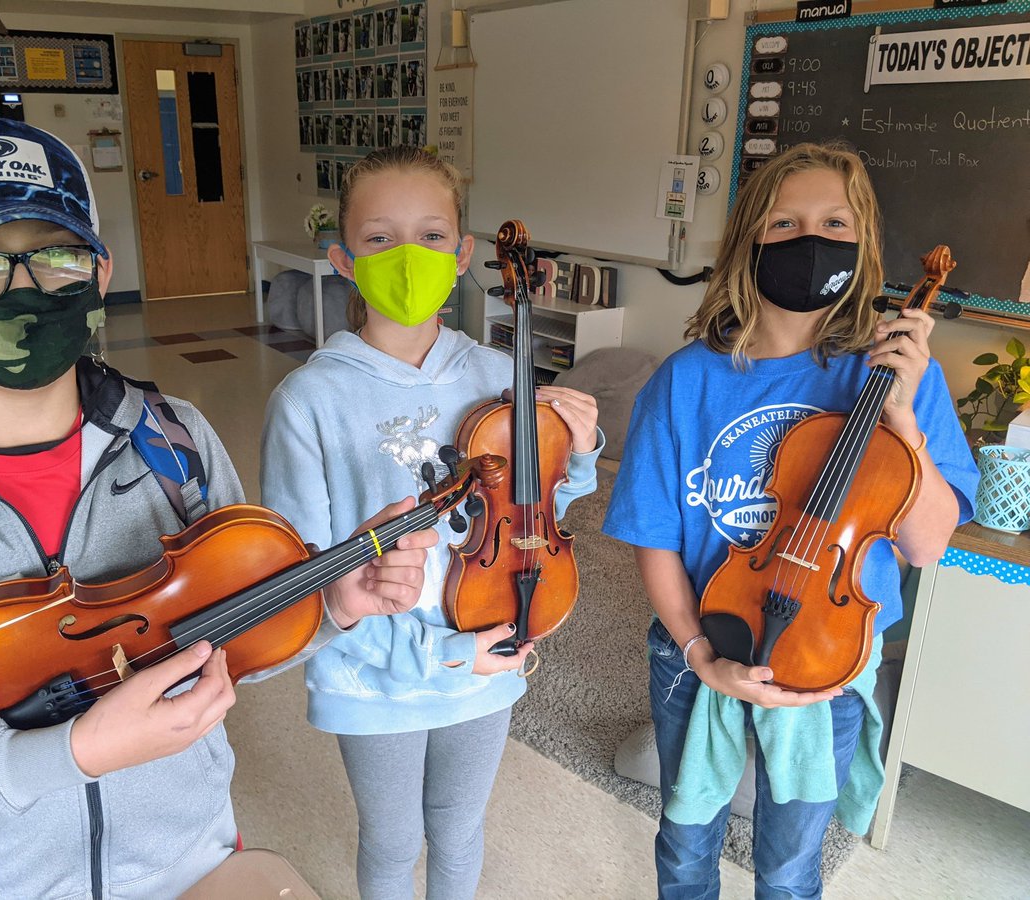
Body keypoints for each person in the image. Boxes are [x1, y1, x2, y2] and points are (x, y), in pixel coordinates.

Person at [0, 114, 437, 898]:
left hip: (191, 859)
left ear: (100, 268)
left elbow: (210, 646)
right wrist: (71, 752)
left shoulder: (176, 439)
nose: (26, 287)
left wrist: (328, 606)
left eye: (55, 255)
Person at [602, 142, 979, 898]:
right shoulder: (685, 381)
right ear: (749, 240)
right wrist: (701, 652)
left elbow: (928, 540)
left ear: (863, 241)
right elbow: (654, 538)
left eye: (835, 221)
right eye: (784, 223)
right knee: (684, 843)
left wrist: (902, 421)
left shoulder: (902, 377)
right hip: (699, 642)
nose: (812, 239)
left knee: (789, 864)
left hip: (829, 660)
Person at [259, 145, 603, 900]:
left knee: (458, 828)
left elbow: (532, 516)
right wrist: (444, 660)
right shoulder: (308, 400)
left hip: (486, 643)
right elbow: (304, 577)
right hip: (373, 674)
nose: (407, 255)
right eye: (380, 239)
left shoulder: (496, 375)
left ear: (464, 254)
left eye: (432, 235)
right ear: (344, 260)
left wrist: (575, 456)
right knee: (390, 843)